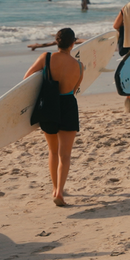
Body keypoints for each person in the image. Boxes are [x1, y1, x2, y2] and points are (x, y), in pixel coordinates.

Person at [23, 28, 81, 206]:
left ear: (57, 42)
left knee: (53, 151)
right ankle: (59, 192)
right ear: (73, 44)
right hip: (68, 105)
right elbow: (76, 89)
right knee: (65, 154)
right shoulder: (79, 65)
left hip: (48, 106)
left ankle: (54, 187)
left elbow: (27, 78)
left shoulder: (46, 58)